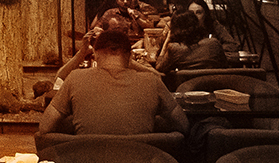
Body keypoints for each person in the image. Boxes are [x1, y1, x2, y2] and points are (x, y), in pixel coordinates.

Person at [39, 14, 187, 138]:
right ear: (129, 55)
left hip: (87, 160)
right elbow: (183, 124)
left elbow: (45, 127)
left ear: (95, 54)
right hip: (140, 160)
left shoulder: (75, 78)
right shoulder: (151, 81)